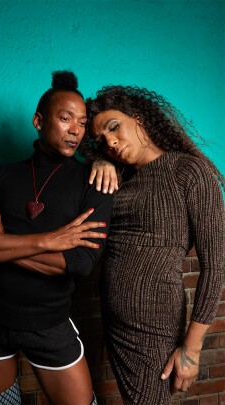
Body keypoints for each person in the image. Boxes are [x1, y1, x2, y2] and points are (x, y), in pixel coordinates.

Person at [0, 70, 112, 404]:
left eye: (82, 123)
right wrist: (49, 240)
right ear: (38, 120)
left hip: (48, 322)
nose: (75, 130)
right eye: (65, 118)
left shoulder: (94, 182)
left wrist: (2, 241)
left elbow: (79, 264)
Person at [82, 85, 225, 403]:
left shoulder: (189, 171)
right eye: (101, 141)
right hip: (114, 323)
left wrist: (191, 349)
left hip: (155, 326)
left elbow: (215, 268)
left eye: (114, 128)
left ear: (139, 118)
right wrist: (97, 163)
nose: (111, 143)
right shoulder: (118, 178)